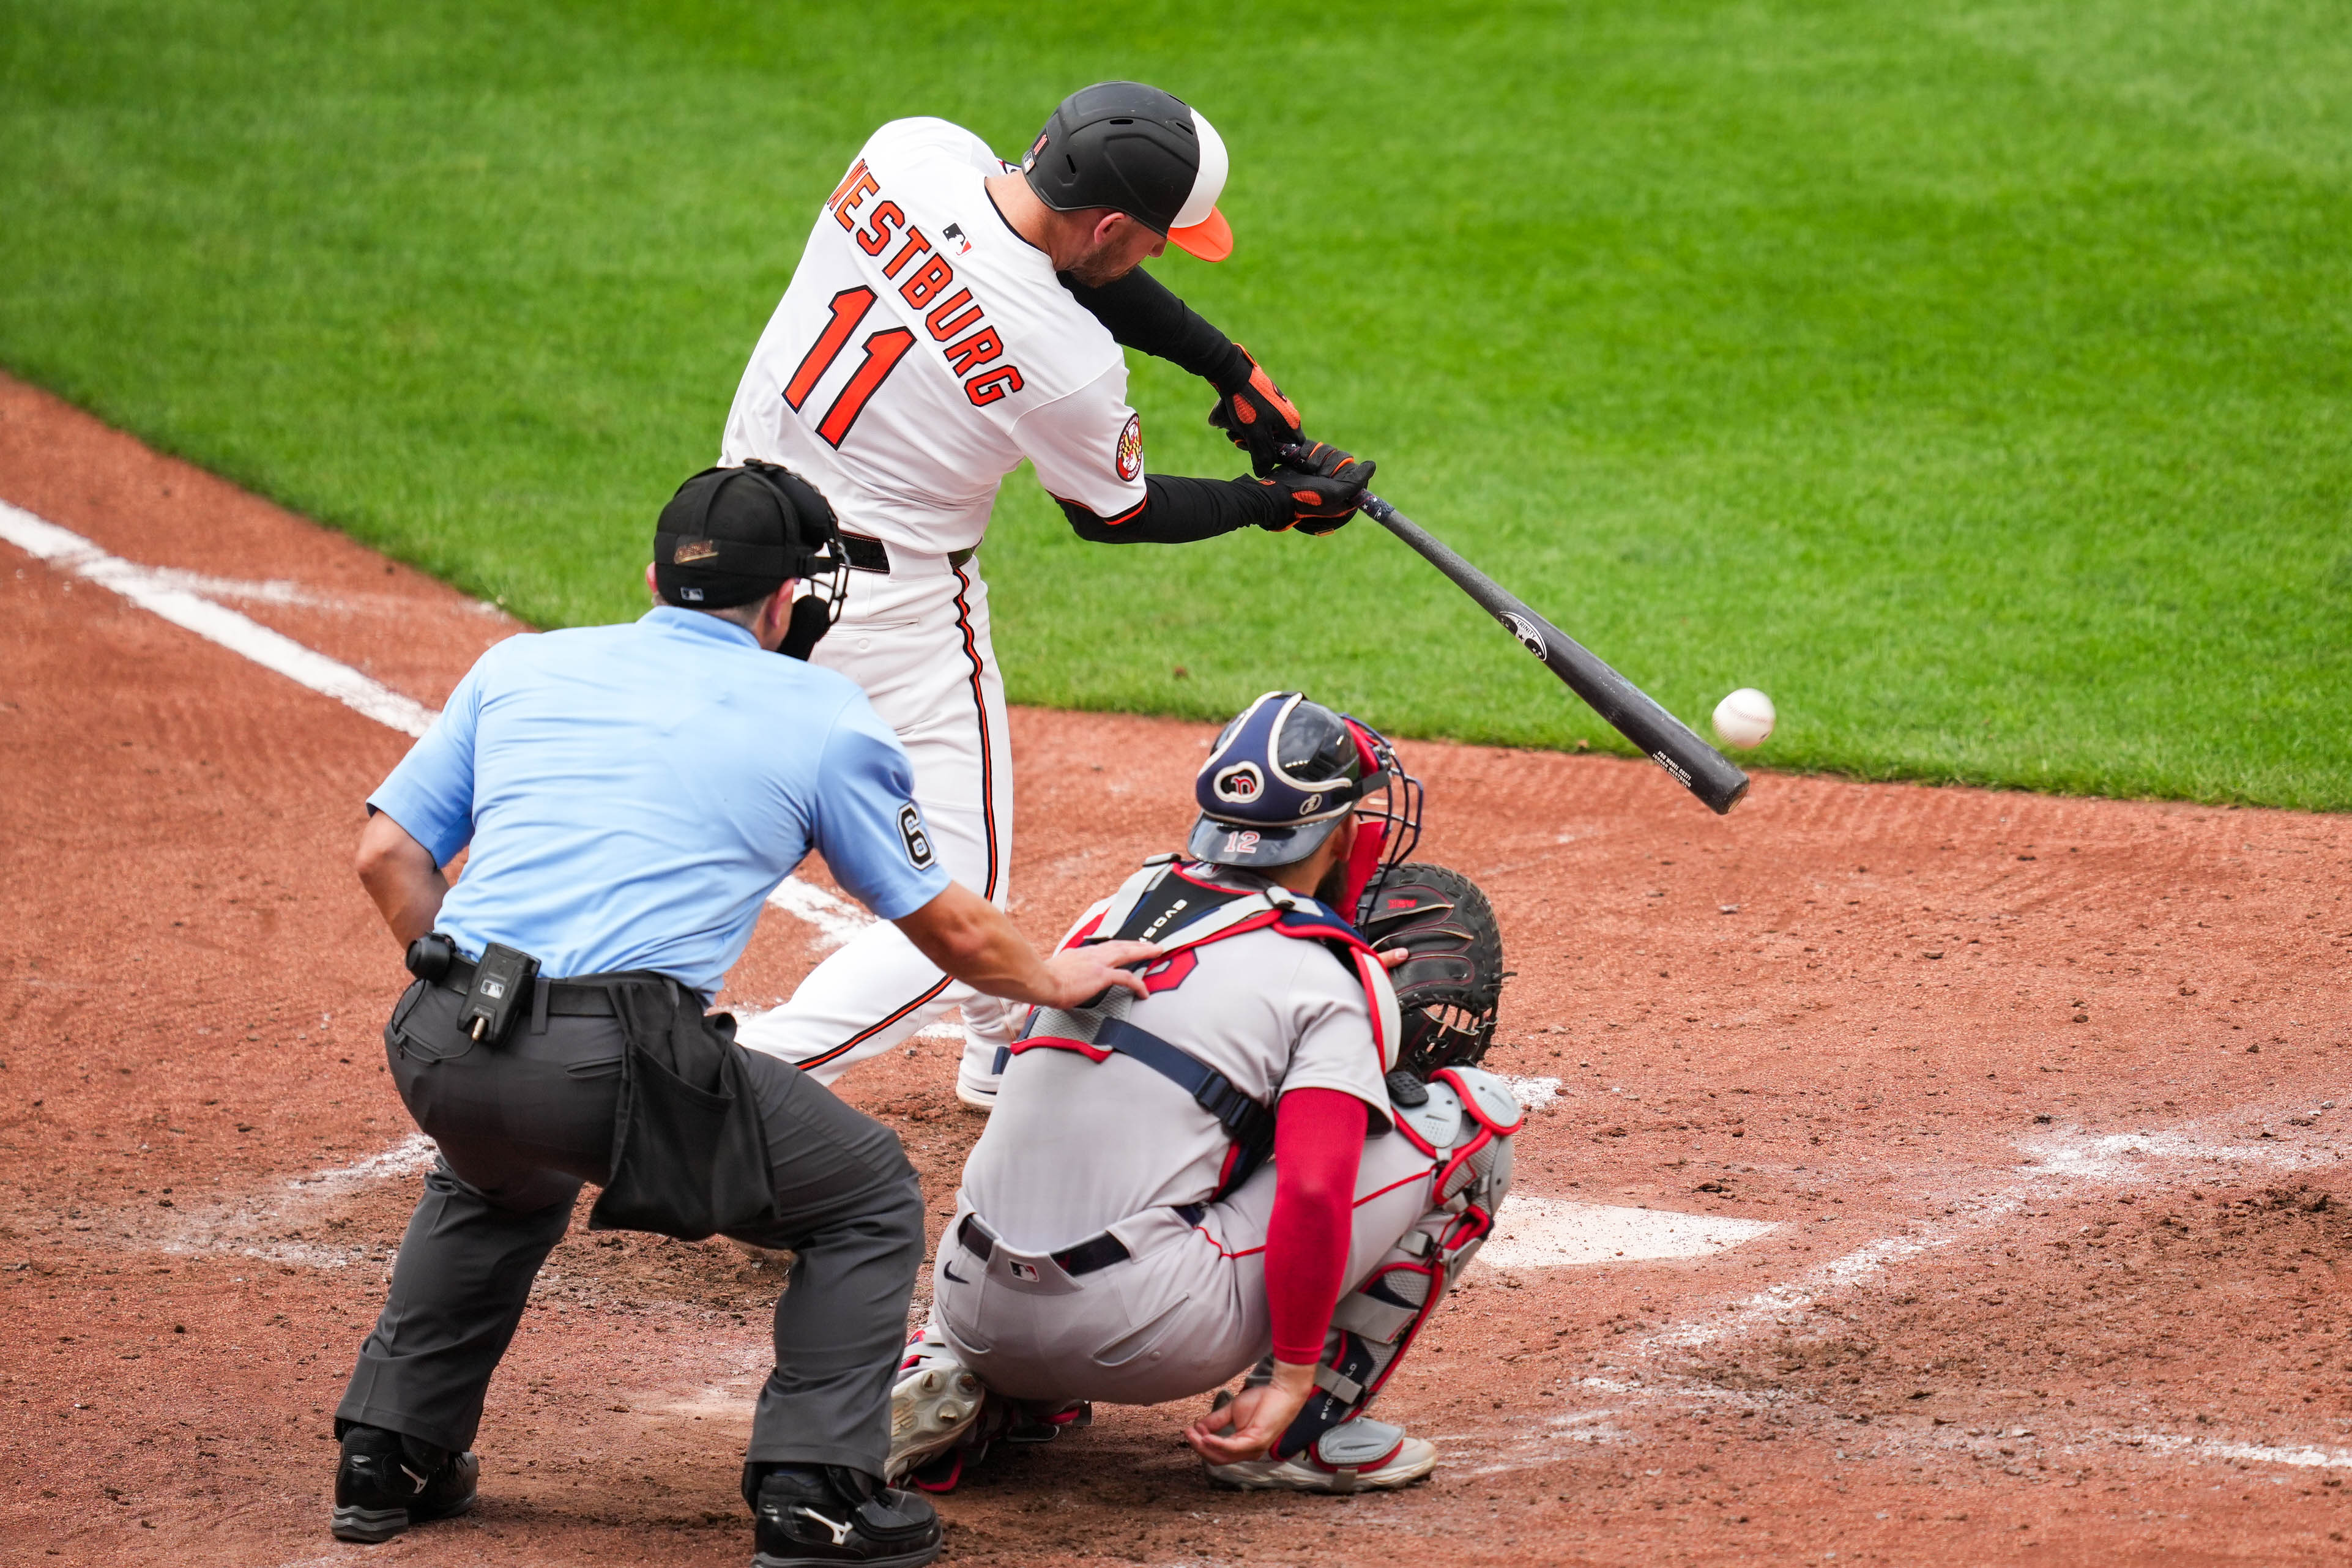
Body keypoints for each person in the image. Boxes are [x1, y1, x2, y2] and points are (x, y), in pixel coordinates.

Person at [327, 463, 1156, 1564]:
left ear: (655, 575)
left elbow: (388, 854)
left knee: (495, 1175)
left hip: (441, 1040)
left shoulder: (520, 665)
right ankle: (817, 1491)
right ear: (792, 604)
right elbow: (951, 930)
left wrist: (477, 1001)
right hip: (613, 1055)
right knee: (864, 1194)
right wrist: (1058, 978)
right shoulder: (823, 714)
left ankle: (390, 1454)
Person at [720, 80, 1378, 1109]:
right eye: (1159, 237)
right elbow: (1111, 512)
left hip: (723, 547)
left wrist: (1223, 365)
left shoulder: (910, 149)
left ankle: (993, 1054)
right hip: (880, 610)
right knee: (960, 914)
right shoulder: (1066, 366)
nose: (1163, 253)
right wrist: (1271, 503)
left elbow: (1034, 255)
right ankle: (717, 1083)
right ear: (1114, 220)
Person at [885, 692, 1520, 1494]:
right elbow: (1317, 1190)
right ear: (1343, 835)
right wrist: (1287, 1372)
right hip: (1143, 1329)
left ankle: (974, 1376)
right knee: (1473, 1123)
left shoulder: (1119, 903)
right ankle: (1303, 1428)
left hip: (971, 1302)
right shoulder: (1325, 975)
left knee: (1152, 1118)